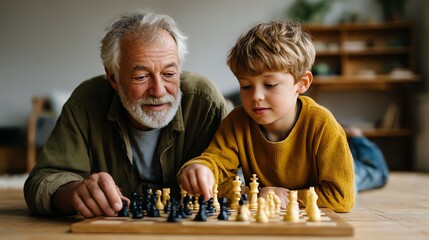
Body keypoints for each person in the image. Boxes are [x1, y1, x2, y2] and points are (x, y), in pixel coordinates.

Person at [24, 9, 228, 218]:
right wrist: (74, 191)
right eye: (141, 76)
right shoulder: (85, 102)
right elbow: (40, 181)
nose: (158, 90)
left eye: (169, 74)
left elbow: (236, 174)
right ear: (113, 77)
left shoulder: (206, 103)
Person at [178, 20, 356, 212]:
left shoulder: (323, 125)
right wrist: (200, 169)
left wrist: (286, 197)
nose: (256, 96)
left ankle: (360, 141)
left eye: (270, 85)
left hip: (342, 168)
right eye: (246, 86)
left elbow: (341, 197)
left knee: (369, 173)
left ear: (302, 83)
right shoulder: (237, 122)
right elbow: (215, 171)